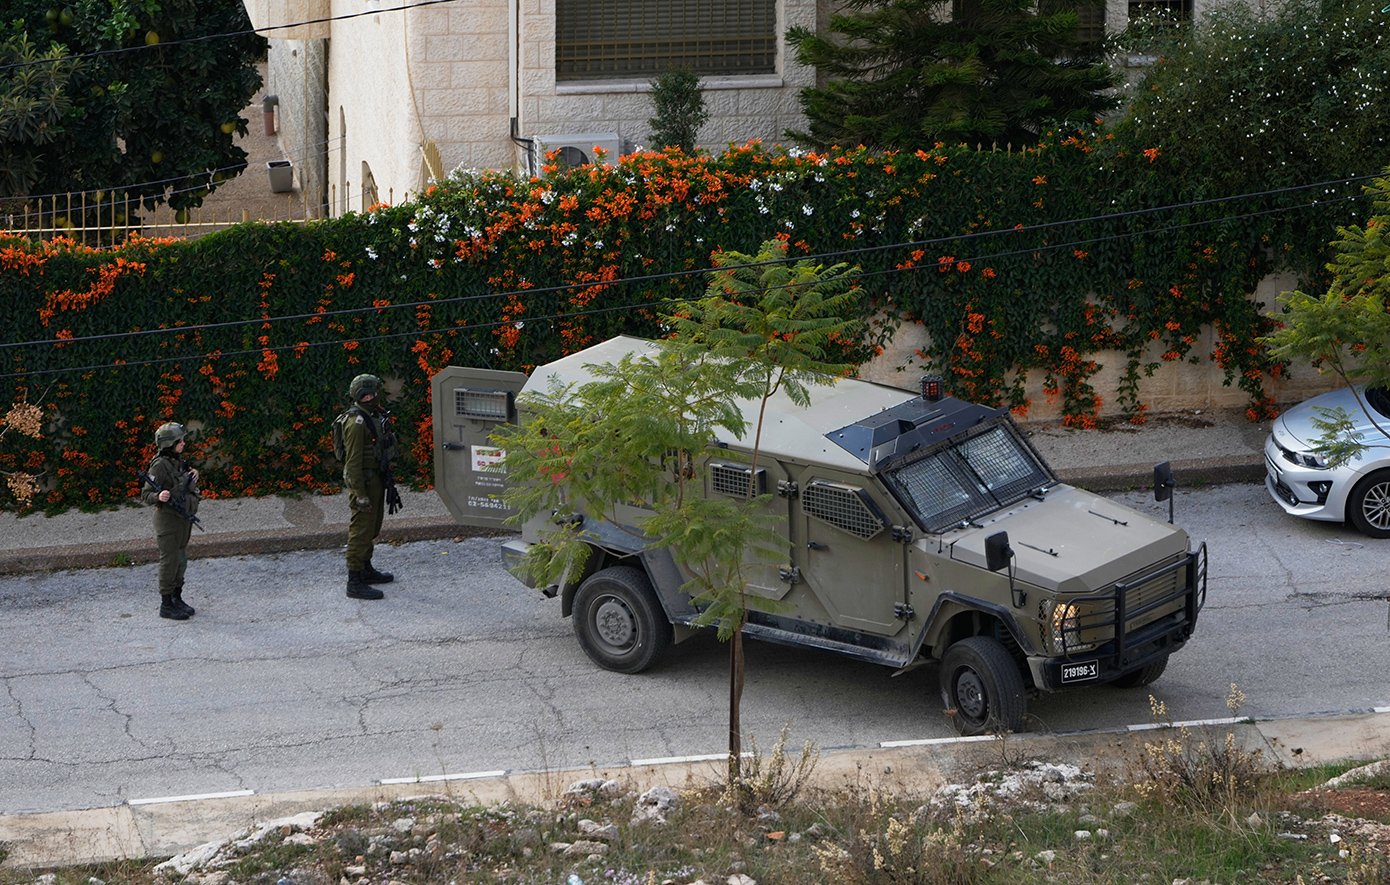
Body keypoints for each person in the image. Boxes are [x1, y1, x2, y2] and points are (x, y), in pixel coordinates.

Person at [340, 373, 401, 600]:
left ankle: (366, 569)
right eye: (373, 392)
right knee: (360, 531)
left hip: (375, 479)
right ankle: (354, 581)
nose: (376, 396)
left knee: (372, 528)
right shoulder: (356, 423)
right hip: (364, 483)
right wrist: (360, 494)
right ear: (366, 395)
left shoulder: (371, 415)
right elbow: (353, 462)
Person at [140, 422, 201, 620]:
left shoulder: (176, 460)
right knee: (169, 561)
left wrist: (194, 475)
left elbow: (182, 483)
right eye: (180, 440)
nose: (183, 443)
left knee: (180, 560)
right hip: (168, 520)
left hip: (183, 518)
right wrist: (159, 496)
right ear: (169, 443)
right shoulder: (159, 465)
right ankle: (166, 604)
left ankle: (177, 598)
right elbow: (145, 494)